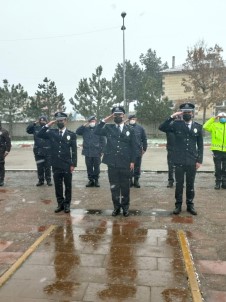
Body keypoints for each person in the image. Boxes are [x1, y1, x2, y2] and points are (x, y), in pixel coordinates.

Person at [159, 102, 203, 215]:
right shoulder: (176, 124)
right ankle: (178, 205)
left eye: (189, 112)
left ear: (192, 114)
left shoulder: (198, 127)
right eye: (185, 112)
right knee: (179, 184)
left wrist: (199, 160)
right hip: (179, 160)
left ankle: (190, 205)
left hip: (192, 160)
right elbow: (162, 127)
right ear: (181, 113)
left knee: (190, 184)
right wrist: (172, 116)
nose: (187, 114)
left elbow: (200, 145)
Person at [94, 106, 136, 217]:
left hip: (125, 162)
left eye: (120, 114)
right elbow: (96, 131)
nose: (118, 116)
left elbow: (134, 147)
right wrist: (105, 120)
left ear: (124, 115)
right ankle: (116, 207)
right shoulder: (108, 128)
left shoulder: (130, 130)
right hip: (112, 163)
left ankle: (125, 208)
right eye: (115, 115)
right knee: (114, 187)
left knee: (125, 187)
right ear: (113, 116)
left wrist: (132, 161)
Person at [37, 112, 77, 213]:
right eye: (58, 121)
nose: (60, 122)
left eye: (62, 121)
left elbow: (74, 151)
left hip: (67, 164)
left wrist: (73, 164)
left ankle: (67, 204)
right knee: (58, 186)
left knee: (68, 186)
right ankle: (60, 204)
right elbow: (39, 134)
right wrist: (48, 125)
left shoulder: (71, 134)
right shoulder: (52, 132)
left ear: (66, 121)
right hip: (56, 164)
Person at [76, 115, 106, 187]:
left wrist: (102, 150)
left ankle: (96, 180)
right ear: (88, 122)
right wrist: (84, 125)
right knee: (89, 167)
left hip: (96, 152)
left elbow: (103, 141)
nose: (92, 123)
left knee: (96, 167)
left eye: (93, 121)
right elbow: (77, 131)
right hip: (88, 152)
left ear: (95, 121)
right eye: (90, 121)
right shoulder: (85, 129)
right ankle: (91, 180)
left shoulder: (99, 129)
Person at [26, 116, 52, 186]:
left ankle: (48, 180)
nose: (42, 122)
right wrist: (34, 123)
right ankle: (41, 180)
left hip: (48, 151)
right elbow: (28, 130)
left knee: (48, 166)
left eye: (44, 121)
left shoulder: (50, 129)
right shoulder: (35, 128)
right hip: (38, 151)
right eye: (41, 121)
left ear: (46, 121)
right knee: (40, 166)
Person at [203, 112, 226, 189]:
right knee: (218, 167)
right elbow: (205, 126)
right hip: (217, 151)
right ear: (219, 118)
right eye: (221, 117)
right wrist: (213, 118)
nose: (223, 118)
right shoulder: (215, 125)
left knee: (225, 168)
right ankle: (217, 182)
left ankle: (224, 182)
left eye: (224, 117)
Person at [127, 114, 147, 188]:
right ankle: (129, 180)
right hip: (128, 151)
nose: (132, 120)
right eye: (131, 119)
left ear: (136, 119)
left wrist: (144, 148)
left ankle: (136, 180)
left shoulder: (140, 128)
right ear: (129, 120)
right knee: (128, 166)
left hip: (137, 150)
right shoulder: (125, 127)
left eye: (134, 119)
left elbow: (144, 139)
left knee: (137, 166)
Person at [0, 121, 11, 186]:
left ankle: (1, 180)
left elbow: (8, 142)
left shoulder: (4, 131)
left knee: (1, 165)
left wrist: (7, 150)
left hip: (1, 151)